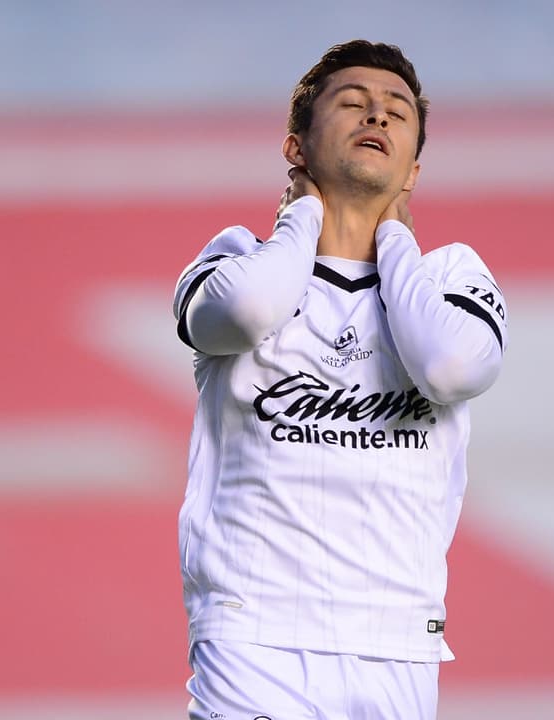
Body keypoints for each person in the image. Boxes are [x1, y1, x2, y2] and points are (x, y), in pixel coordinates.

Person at [171, 40, 507, 720]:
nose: (376, 116)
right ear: (295, 147)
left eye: (396, 113)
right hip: (253, 635)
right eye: (353, 104)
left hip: (397, 643)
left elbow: (450, 365)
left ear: (413, 170)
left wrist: (395, 240)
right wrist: (302, 216)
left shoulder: (450, 278)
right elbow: (243, 312)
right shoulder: (235, 259)